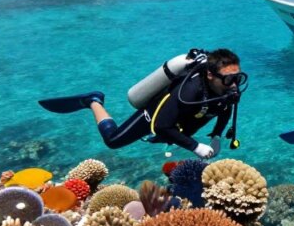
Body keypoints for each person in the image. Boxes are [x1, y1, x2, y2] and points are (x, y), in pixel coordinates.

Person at [39, 49, 245, 159]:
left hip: (181, 121)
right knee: (113, 141)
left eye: (238, 77)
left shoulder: (229, 88)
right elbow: (162, 126)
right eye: (228, 79)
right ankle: (93, 100)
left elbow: (224, 109)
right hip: (157, 115)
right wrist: (194, 147)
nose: (234, 84)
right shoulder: (190, 93)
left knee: (170, 136)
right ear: (209, 75)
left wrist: (216, 135)